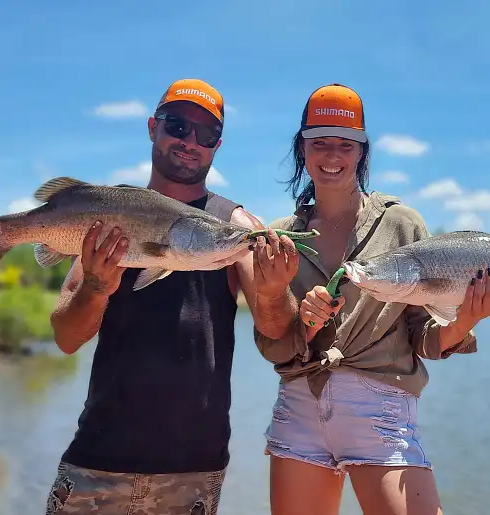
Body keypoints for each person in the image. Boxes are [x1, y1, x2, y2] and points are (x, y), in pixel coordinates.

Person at [44, 78, 300, 515]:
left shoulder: (235, 225)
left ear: (218, 145)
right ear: (152, 128)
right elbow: (66, 337)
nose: (190, 142)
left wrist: (275, 290)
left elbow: (277, 328)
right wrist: (97, 287)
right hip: (98, 459)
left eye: (206, 135)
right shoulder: (112, 211)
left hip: (193, 471)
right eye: (178, 126)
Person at [252, 83, 490, 515]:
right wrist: (297, 315)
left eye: (345, 145)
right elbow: (275, 344)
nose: (332, 157)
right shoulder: (281, 235)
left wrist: (465, 319)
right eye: (320, 144)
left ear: (362, 152)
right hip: (299, 408)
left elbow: (424, 338)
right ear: (302, 148)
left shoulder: (401, 224)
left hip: (382, 408)